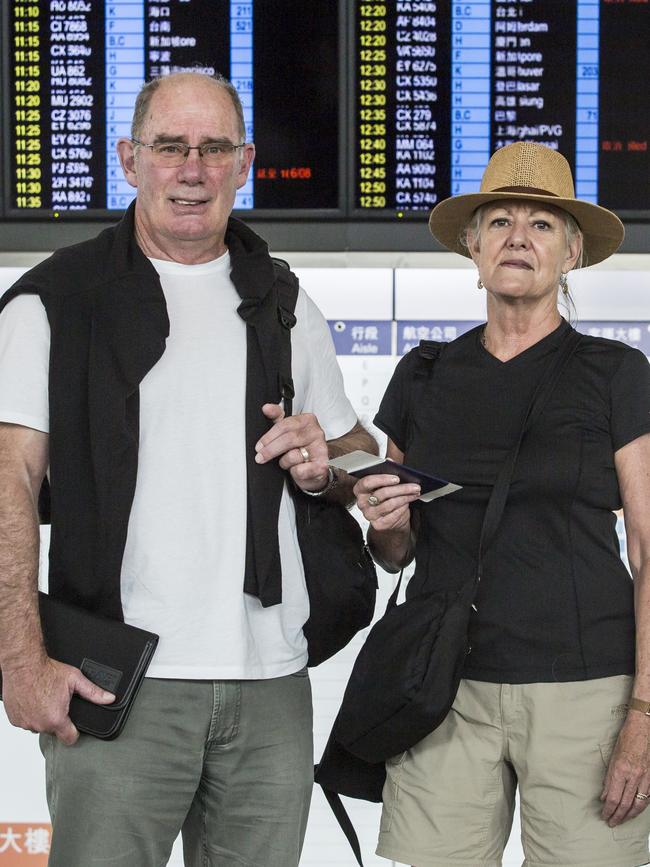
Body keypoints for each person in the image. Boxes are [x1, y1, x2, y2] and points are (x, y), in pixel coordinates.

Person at [0, 71, 375, 866]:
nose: (193, 169)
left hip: (271, 686)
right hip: (113, 682)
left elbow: (355, 457)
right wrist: (21, 661)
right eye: (171, 147)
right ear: (129, 159)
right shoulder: (52, 303)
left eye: (213, 149)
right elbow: (8, 487)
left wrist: (328, 464)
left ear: (245, 163)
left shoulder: (283, 299)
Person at [354, 141, 650, 867]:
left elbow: (647, 546)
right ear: (473, 245)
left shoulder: (617, 374)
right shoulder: (422, 374)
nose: (519, 237)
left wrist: (643, 715)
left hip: (587, 693)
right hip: (442, 691)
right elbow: (397, 548)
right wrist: (384, 524)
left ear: (572, 254)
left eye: (542, 224)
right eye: (500, 222)